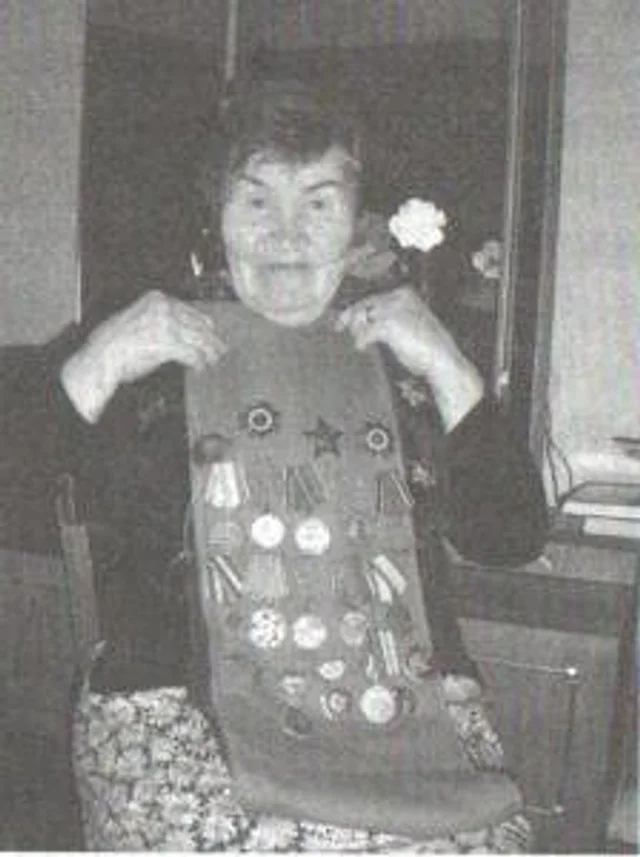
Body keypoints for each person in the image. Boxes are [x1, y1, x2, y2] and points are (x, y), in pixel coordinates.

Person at [18, 79, 547, 851]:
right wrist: (95, 363)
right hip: (175, 708)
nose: (286, 234)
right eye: (257, 200)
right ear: (217, 217)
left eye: (319, 203)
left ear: (356, 221)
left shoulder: (403, 355)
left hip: (398, 710)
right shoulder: (150, 349)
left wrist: (450, 367)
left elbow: (511, 537)